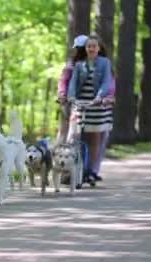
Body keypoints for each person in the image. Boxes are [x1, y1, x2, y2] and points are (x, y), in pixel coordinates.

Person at [67, 35, 114, 184]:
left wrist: (99, 97)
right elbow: (73, 83)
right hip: (81, 104)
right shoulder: (80, 64)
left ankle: (91, 171)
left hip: (97, 106)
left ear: (99, 48)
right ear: (85, 49)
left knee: (95, 139)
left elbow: (106, 81)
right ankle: (74, 169)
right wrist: (71, 97)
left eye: (94, 46)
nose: (91, 48)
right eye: (89, 46)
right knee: (75, 136)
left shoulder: (104, 63)